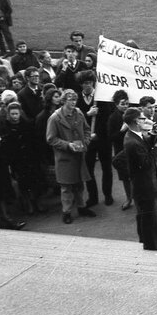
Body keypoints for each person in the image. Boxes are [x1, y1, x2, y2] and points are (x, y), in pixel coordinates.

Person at [122, 107, 157, 250]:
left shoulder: (136, 135)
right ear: (136, 121)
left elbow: (146, 146)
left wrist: (153, 137)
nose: (146, 120)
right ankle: (151, 244)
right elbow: (145, 163)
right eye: (142, 118)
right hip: (143, 184)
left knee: (153, 212)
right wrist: (155, 147)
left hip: (148, 182)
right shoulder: (132, 141)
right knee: (148, 215)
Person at [46, 89, 94, 224]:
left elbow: (87, 129)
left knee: (79, 184)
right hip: (65, 158)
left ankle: (81, 207)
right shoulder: (55, 118)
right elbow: (51, 139)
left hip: (79, 155)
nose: (73, 102)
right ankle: (66, 212)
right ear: (63, 101)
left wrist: (86, 142)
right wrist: (68, 145)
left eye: (75, 100)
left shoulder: (79, 113)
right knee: (66, 187)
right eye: (70, 100)